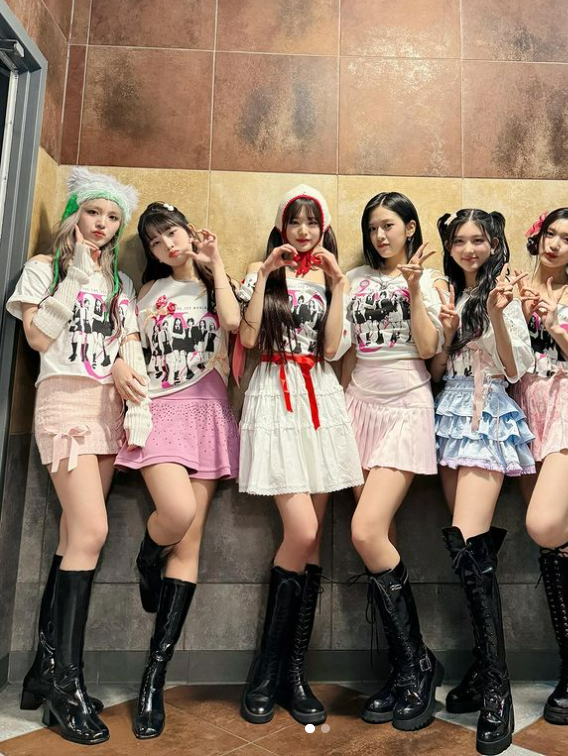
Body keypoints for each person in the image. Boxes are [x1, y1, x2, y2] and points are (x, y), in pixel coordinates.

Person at [6, 167, 150, 745]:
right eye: (94, 212)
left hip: (107, 409)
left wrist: (131, 388)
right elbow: (38, 338)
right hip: (63, 402)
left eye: (113, 218)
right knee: (92, 530)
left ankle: (44, 673)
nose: (102, 224)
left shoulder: (121, 283)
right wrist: (75, 279)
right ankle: (67, 686)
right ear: (75, 215)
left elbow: (129, 344)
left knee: (74, 538)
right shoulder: (45, 268)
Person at [236, 185, 363, 726]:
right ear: (282, 226)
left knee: (311, 547)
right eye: (295, 221)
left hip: (320, 397)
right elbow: (247, 338)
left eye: (312, 222)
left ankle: (291, 675)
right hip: (275, 393)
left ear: (323, 227)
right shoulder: (262, 271)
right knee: (304, 531)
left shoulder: (333, 278)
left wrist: (338, 285)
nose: (304, 231)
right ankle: (265, 671)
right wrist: (266, 272)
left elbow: (331, 348)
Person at [114, 202, 241, 739]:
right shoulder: (145, 292)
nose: (167, 244)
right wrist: (119, 364)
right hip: (160, 411)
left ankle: (153, 678)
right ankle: (148, 556)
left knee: (189, 547)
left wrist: (216, 263)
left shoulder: (218, 285)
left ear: (189, 231)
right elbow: (126, 343)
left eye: (172, 232)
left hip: (208, 412)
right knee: (177, 512)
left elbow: (233, 325)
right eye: (155, 240)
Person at [430, 208, 534, 755]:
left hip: (486, 413)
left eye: (478, 240)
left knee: (470, 543)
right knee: (466, 549)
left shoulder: (502, 294)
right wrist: (447, 330)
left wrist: (496, 312)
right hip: (448, 412)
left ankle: (498, 690)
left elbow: (516, 368)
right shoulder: (450, 291)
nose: (468, 248)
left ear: (495, 243)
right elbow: (438, 367)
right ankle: (480, 667)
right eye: (459, 240)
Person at [342, 192, 447, 730]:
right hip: (358, 406)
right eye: (372, 227)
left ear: (409, 227)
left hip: (406, 405)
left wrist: (414, 287)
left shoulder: (430, 280)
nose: (380, 236)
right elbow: (343, 350)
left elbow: (428, 350)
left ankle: (417, 665)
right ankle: (407, 666)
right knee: (379, 538)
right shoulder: (355, 279)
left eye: (389, 225)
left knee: (365, 530)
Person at [511, 208, 568, 725]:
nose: (556, 244)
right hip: (522, 410)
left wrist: (556, 326)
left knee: (544, 522)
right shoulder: (511, 285)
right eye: (551, 234)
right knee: (549, 544)